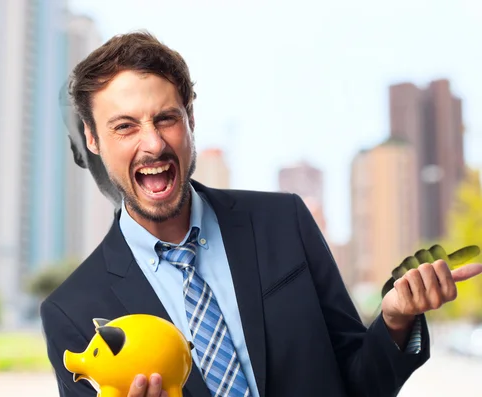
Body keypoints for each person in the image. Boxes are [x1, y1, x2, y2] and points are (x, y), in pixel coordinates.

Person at [40, 31, 482, 397]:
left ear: (191, 118)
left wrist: (395, 320)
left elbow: (358, 382)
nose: (153, 144)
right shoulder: (73, 312)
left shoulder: (283, 222)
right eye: (125, 126)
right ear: (92, 139)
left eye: (166, 118)